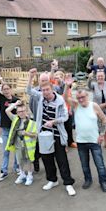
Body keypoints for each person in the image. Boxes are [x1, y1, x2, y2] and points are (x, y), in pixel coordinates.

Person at [27, 68, 76, 196]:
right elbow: (28, 91)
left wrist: (53, 122)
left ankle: (68, 183)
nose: (45, 92)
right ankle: (52, 180)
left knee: (62, 160)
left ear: (52, 89)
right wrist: (30, 78)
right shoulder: (40, 97)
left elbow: (65, 117)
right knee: (47, 159)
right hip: (44, 135)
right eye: (43, 90)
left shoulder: (60, 101)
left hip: (57, 134)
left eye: (47, 89)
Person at [64, 76, 106, 192]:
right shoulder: (76, 106)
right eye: (78, 98)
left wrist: (101, 134)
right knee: (84, 165)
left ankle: (103, 182)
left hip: (94, 141)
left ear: (88, 96)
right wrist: (66, 85)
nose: (80, 100)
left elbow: (104, 120)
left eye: (82, 97)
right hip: (81, 142)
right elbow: (65, 98)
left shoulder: (94, 106)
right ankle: (88, 180)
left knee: (99, 164)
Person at [5, 100, 37, 186]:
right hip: (18, 144)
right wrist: (15, 104)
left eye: (23, 111)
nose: (21, 113)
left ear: (26, 111)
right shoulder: (15, 119)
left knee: (29, 160)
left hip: (28, 145)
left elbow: (36, 135)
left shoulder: (32, 121)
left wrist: (26, 133)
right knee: (20, 160)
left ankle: (29, 176)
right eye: (19, 111)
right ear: (17, 113)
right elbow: (7, 111)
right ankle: (22, 174)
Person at [87, 70, 106, 149]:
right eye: (98, 76)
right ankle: (97, 143)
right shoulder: (94, 85)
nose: (100, 77)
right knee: (97, 127)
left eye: (101, 76)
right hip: (97, 110)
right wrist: (89, 78)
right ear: (96, 77)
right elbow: (89, 85)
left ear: (104, 76)